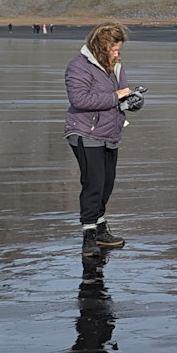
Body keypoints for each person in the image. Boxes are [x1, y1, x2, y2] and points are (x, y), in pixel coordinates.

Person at [64, 23, 137, 256]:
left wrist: (132, 101)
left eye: (119, 49)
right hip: (85, 132)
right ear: (101, 47)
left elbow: (122, 95)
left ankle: (100, 227)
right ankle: (88, 235)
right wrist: (116, 97)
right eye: (114, 49)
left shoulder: (115, 66)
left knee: (106, 183)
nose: (117, 54)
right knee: (93, 183)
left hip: (110, 132)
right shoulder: (78, 67)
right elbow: (80, 100)